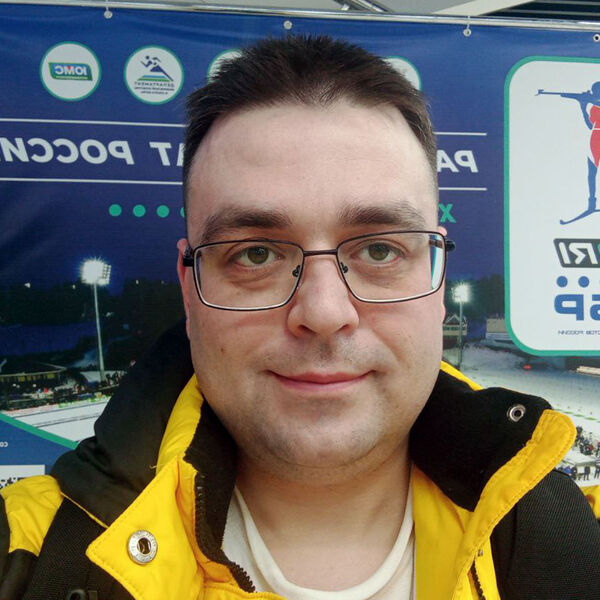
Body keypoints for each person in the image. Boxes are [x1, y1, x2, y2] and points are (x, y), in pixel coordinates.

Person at [1, 35, 599, 600]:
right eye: (255, 254)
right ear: (189, 288)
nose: (323, 312)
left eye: (380, 250)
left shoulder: (576, 545)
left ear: (438, 281)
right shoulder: (25, 560)